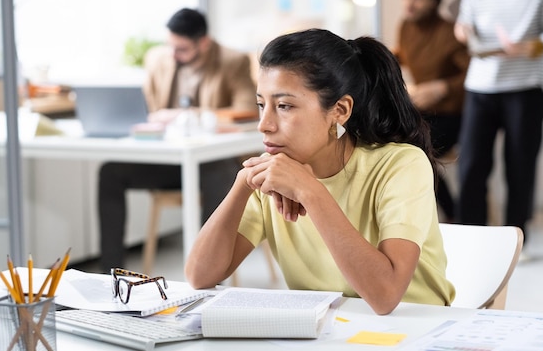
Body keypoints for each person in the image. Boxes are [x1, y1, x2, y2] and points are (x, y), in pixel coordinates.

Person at [185, 29, 455, 315]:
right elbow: (200, 276)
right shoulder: (274, 173)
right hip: (331, 334)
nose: (264, 125)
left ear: (339, 110)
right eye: (262, 105)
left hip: (415, 330)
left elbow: (386, 295)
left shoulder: (401, 165)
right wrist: (243, 184)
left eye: (284, 106)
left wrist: (310, 192)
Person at [98, 8, 258, 271]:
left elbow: (246, 111)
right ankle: (110, 272)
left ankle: (209, 271)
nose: (173, 54)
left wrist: (185, 115)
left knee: (221, 174)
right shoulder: (158, 59)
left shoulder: (233, 61)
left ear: (203, 43)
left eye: (181, 49)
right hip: (169, 159)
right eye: (170, 45)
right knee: (111, 172)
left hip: (211, 161)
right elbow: (147, 106)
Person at [454, 0, 543, 242]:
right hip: (480, 88)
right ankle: (472, 236)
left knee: (520, 167)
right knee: (470, 165)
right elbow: (463, 24)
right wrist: (462, 31)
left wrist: (533, 46)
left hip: (524, 89)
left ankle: (516, 238)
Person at [393, 0, 470, 222]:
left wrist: (441, 88)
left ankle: (453, 218)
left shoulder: (450, 32)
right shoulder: (405, 27)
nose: (409, 3)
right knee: (389, 143)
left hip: (454, 115)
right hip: (422, 112)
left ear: (434, 1)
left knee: (417, 154)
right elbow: (404, 55)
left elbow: (471, 74)